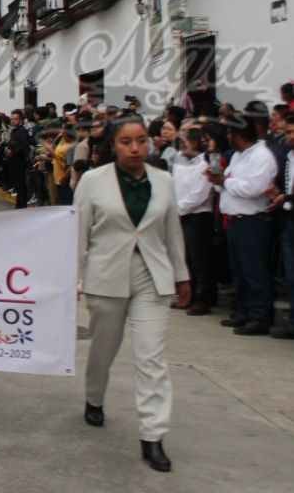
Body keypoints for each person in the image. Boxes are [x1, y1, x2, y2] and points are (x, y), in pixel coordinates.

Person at [75, 116, 190, 473]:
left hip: (151, 277)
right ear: (113, 145)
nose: (136, 148)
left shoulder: (164, 181)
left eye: (142, 140)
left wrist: (182, 275)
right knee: (104, 348)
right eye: (127, 141)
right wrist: (72, 280)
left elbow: (173, 232)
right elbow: (78, 236)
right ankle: (94, 398)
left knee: (151, 358)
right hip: (105, 277)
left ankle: (153, 435)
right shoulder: (93, 182)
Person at [208, 110, 278, 335]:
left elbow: (253, 189)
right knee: (239, 270)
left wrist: (226, 182)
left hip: (253, 222)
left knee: (254, 270)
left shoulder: (262, 157)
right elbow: (228, 183)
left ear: (240, 134)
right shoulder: (238, 155)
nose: (227, 136)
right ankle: (243, 312)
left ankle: (260, 317)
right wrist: (218, 181)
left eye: (230, 132)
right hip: (235, 220)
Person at [173, 127, 215, 315]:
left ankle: (203, 299)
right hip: (181, 214)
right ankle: (188, 295)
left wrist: (180, 209)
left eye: (185, 141)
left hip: (198, 215)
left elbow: (200, 194)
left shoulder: (205, 163)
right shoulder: (180, 163)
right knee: (186, 258)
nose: (182, 145)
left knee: (200, 259)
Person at [267, 113, 294, 338]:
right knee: (290, 274)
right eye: (286, 133)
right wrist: (281, 195)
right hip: (288, 219)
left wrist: (286, 198)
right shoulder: (288, 155)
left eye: (292, 133)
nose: (288, 137)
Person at [7, 109, 31, 208]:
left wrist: (12, 151)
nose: (13, 121)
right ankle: (19, 204)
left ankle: (21, 206)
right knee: (18, 185)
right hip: (14, 161)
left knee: (21, 185)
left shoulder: (22, 131)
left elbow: (23, 146)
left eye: (15, 119)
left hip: (20, 162)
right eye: (12, 119)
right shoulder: (14, 131)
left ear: (20, 120)